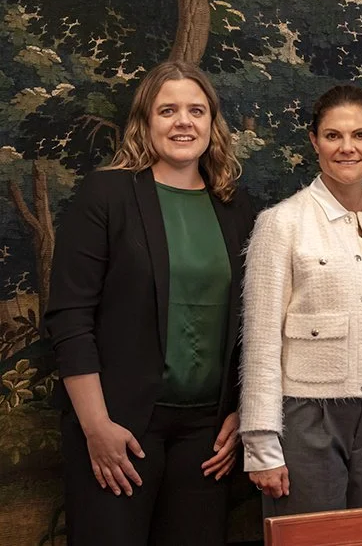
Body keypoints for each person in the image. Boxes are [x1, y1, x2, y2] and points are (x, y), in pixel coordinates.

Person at [46, 61, 256, 545]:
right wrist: (96, 428)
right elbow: (70, 317)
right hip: (119, 429)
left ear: (211, 123)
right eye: (168, 110)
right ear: (145, 122)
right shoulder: (107, 193)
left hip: (207, 437)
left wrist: (242, 412)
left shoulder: (236, 207)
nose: (183, 121)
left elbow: (254, 322)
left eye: (196, 110)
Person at [239, 85, 362, 516]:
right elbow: (260, 343)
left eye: (360, 135)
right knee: (311, 538)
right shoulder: (281, 223)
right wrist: (261, 445)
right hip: (305, 414)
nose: (347, 148)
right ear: (314, 141)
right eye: (333, 136)